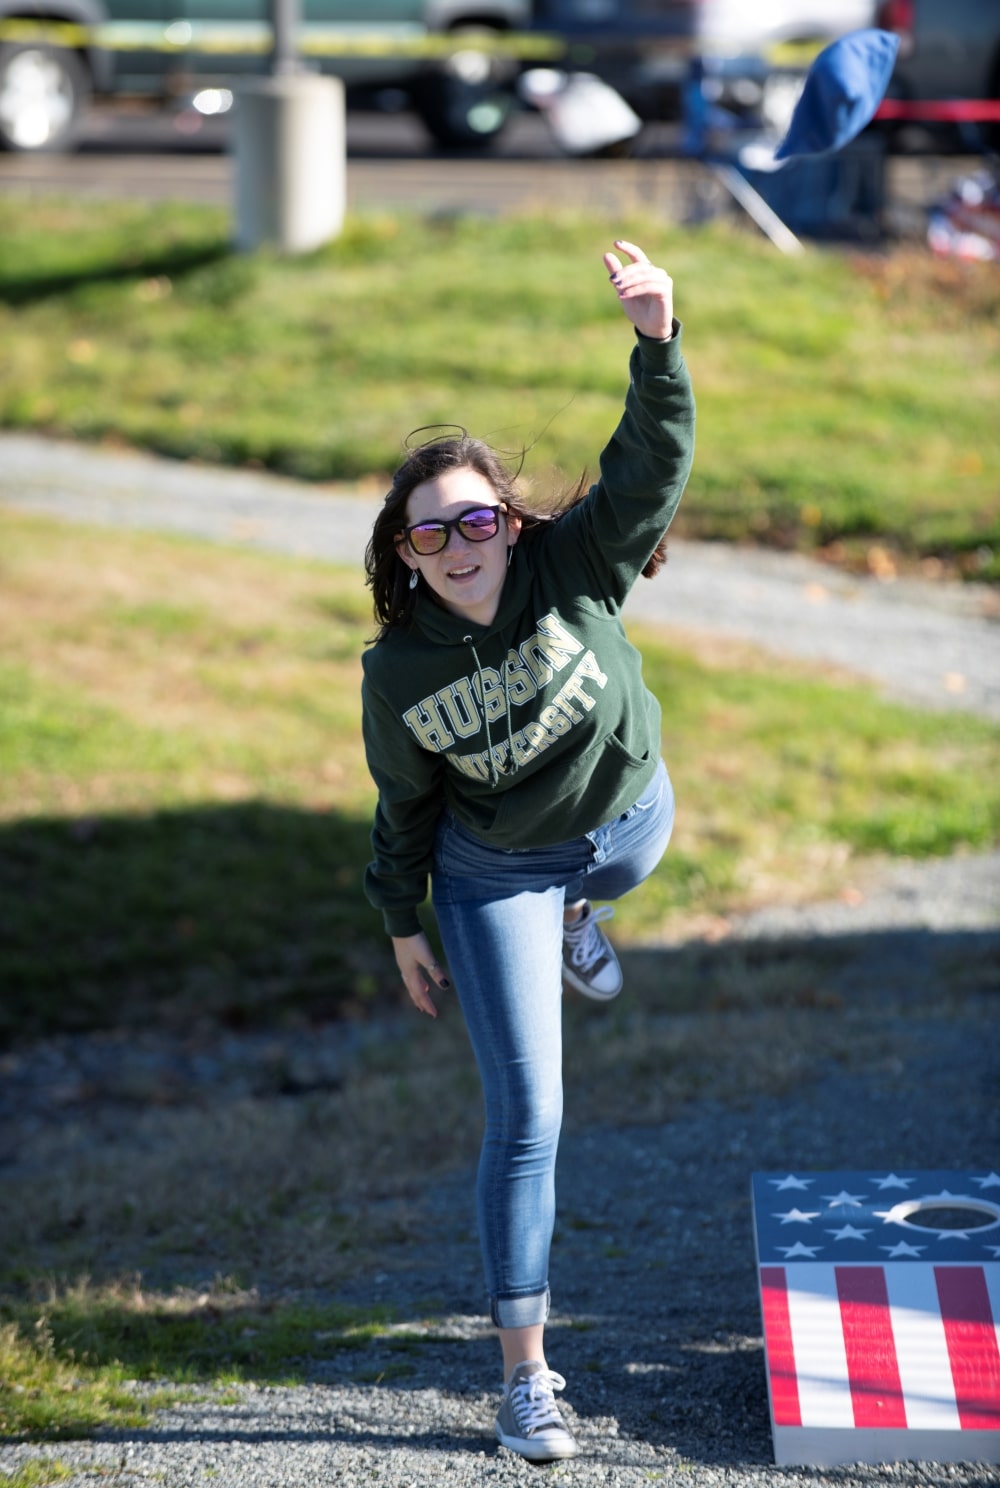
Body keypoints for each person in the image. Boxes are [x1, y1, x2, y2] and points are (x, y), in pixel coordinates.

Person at [361, 239, 695, 1462]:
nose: (458, 546)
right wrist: (403, 919)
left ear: (507, 519)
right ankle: (526, 1378)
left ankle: (579, 916)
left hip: (622, 828)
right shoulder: (397, 676)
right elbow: (401, 808)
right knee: (528, 1118)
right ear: (403, 557)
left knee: (623, 869)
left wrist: (657, 341)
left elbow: (647, 467)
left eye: (474, 520)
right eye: (427, 536)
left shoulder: (569, 568)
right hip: (494, 871)